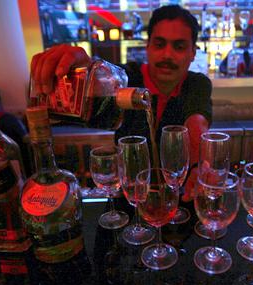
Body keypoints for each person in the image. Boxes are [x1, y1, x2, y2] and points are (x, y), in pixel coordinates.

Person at [31, 5, 213, 202]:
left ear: (193, 52)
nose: (167, 55)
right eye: (160, 44)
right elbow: (100, 81)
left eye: (179, 46)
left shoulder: (197, 84)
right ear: (148, 47)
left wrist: (198, 164)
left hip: (181, 197)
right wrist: (79, 70)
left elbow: (196, 123)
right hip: (129, 198)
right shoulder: (126, 79)